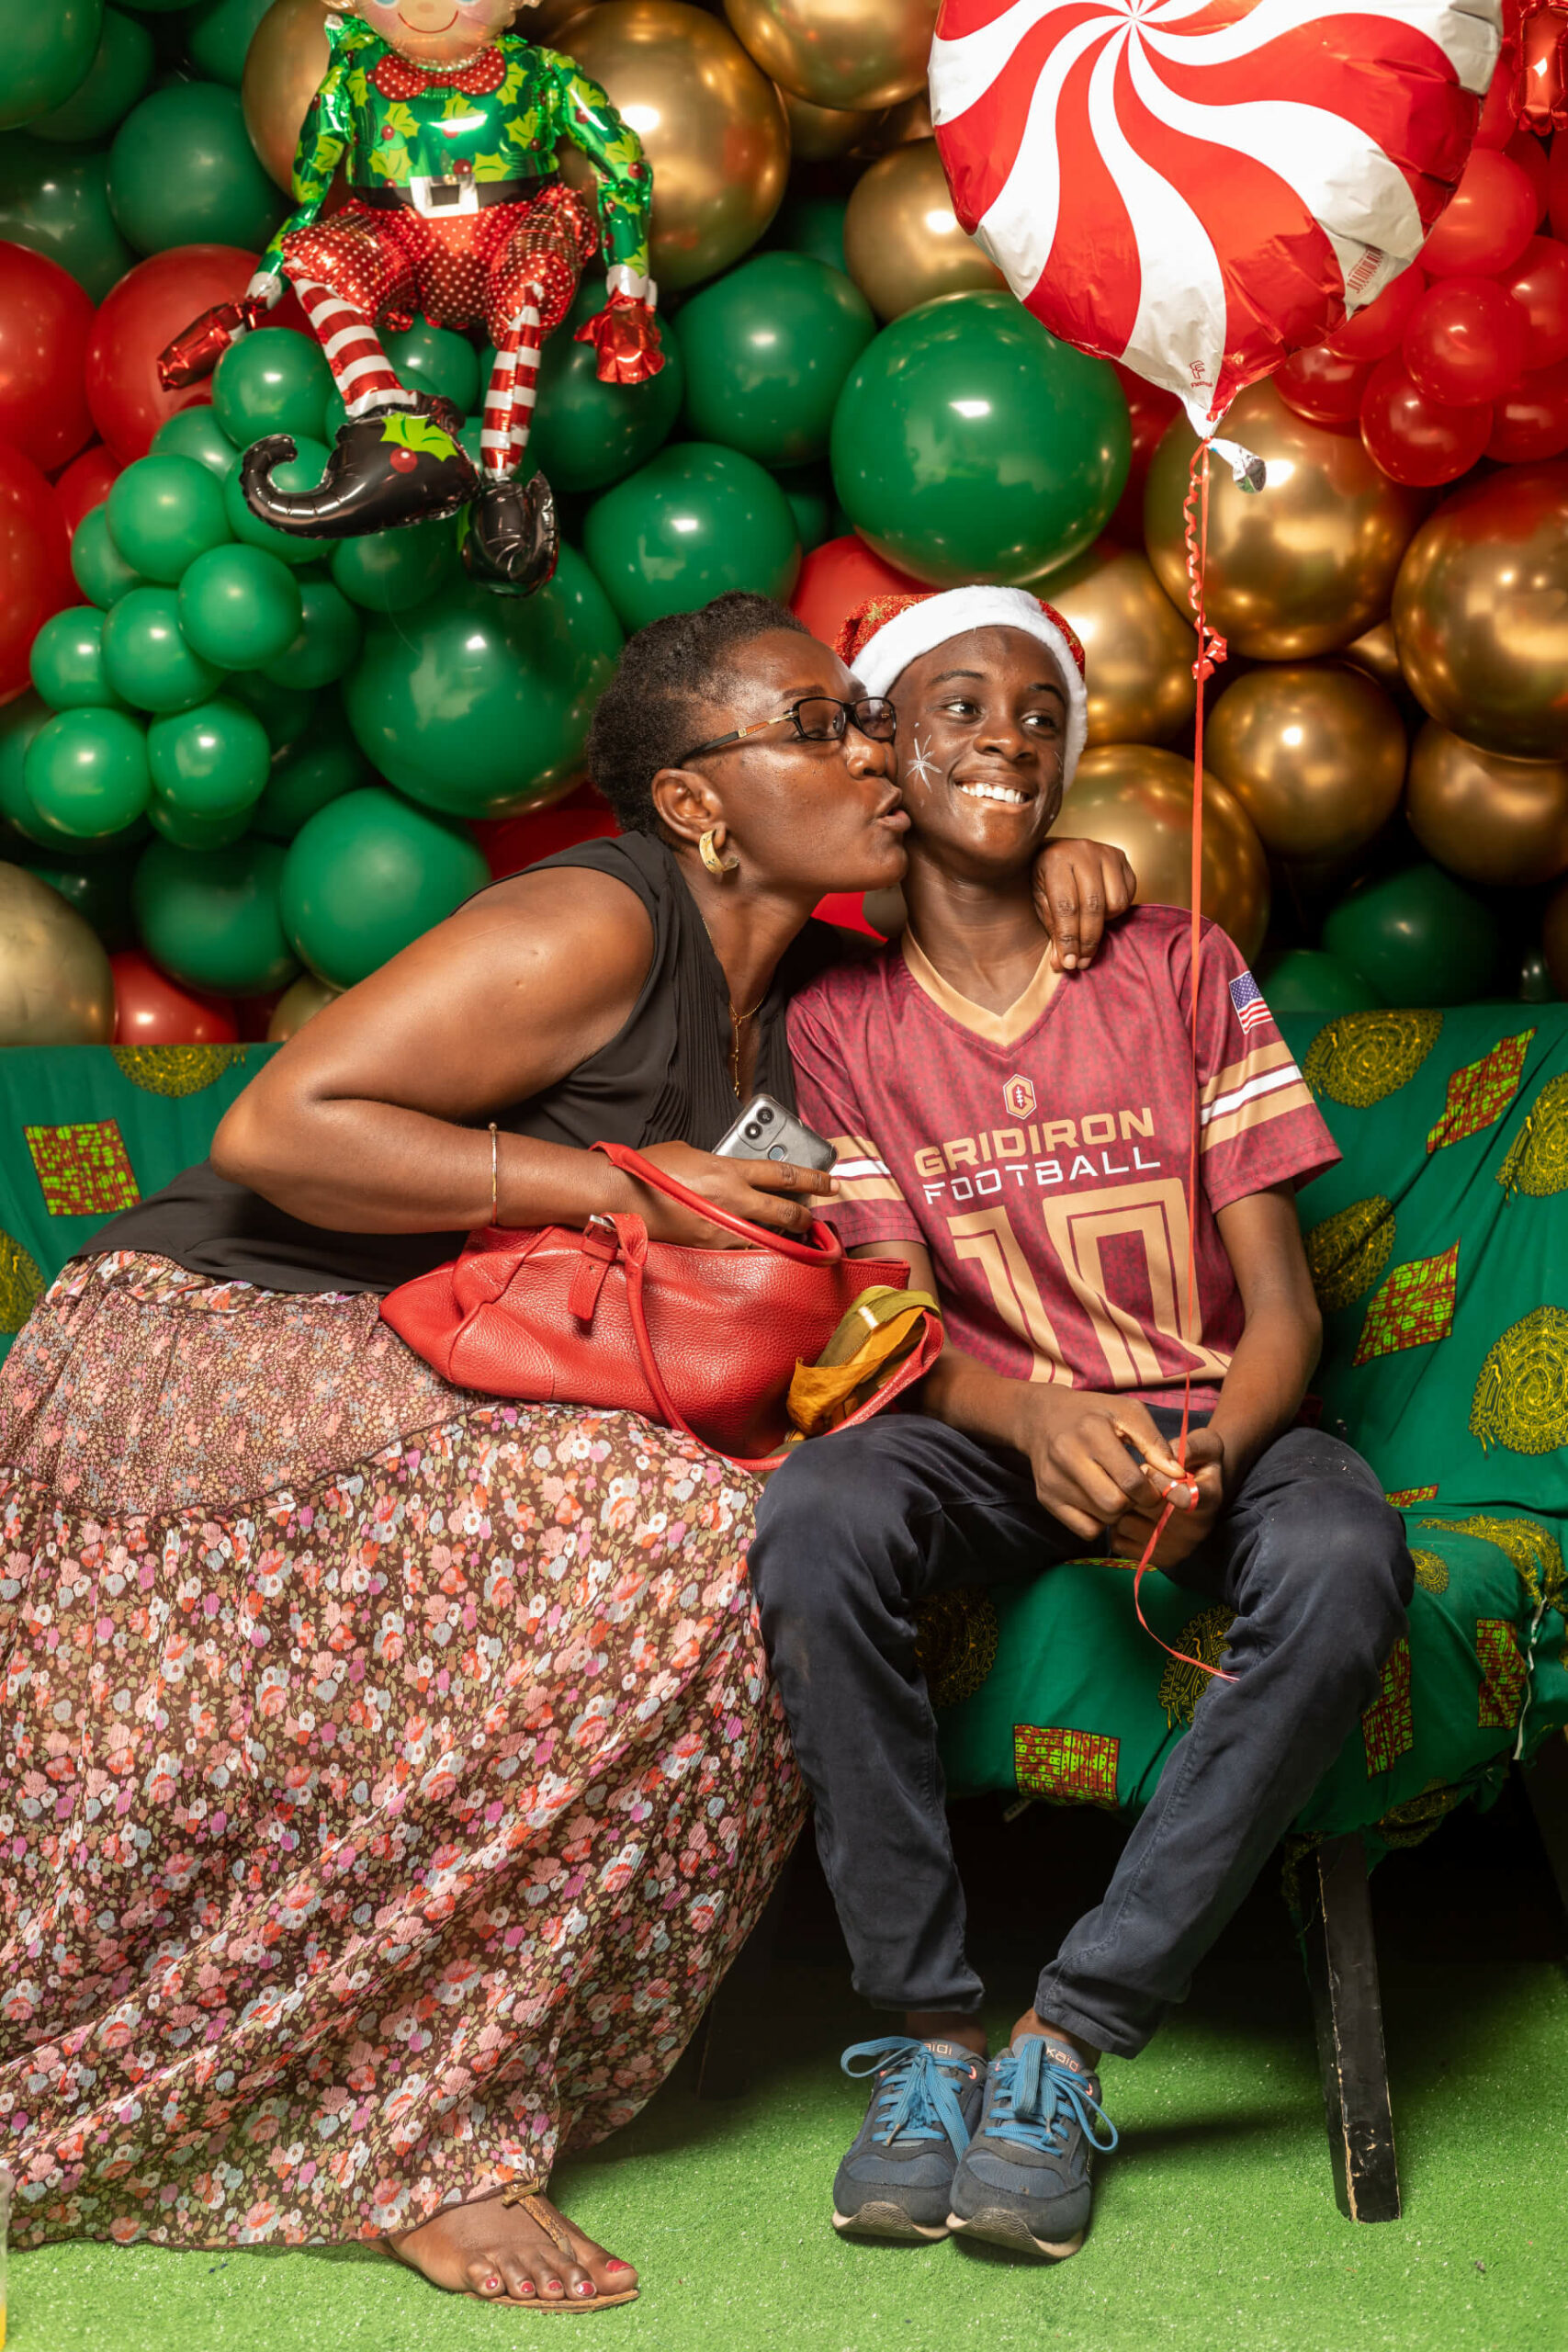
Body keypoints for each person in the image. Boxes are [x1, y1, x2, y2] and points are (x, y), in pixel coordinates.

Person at [0, 592, 1131, 2307]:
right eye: (819, 725)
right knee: (672, 1535)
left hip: (443, 1366)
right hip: (206, 1347)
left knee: (753, 1531)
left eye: (864, 719)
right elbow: (282, 1126)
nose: (874, 752)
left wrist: (1068, 869)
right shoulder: (595, 922)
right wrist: (623, 1187)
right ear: (694, 802)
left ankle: (423, 2062)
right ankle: (410, 2130)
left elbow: (1005, 970)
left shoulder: (824, 991)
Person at [750, 584, 1415, 2263]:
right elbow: (894, 1317)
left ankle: (1069, 2040)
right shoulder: (836, 1022)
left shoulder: (1179, 961)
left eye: (1041, 715)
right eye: (962, 709)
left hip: (1210, 1408)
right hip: (988, 1430)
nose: (1008, 741)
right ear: (888, 751)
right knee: (819, 1515)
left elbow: (1286, 1310)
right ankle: (930, 2041)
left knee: (1347, 1553)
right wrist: (1036, 1416)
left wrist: (1214, 1459)